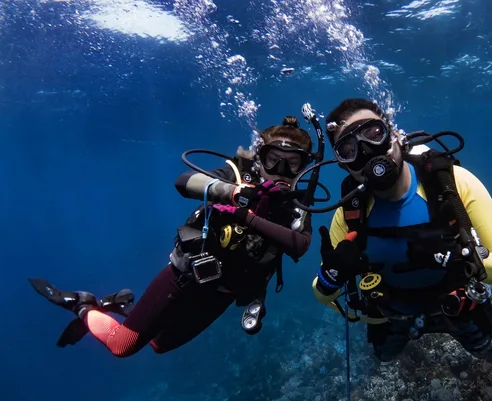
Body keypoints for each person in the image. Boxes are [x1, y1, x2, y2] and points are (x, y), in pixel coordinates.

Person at [30, 116, 315, 357]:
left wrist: (247, 217)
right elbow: (184, 182)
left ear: (304, 167)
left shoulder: (298, 203)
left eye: (292, 164)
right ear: (259, 156)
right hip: (186, 276)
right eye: (273, 160)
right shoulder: (237, 174)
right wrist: (235, 193)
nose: (281, 172)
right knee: (122, 346)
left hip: (224, 294)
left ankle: (122, 305)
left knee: (159, 344)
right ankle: (82, 305)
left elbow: (300, 245)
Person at [311, 98, 492, 362]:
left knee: (485, 350)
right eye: (349, 149)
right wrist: (333, 275)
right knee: (384, 356)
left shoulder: (453, 184)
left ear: (395, 136)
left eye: (374, 134)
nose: (367, 152)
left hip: (456, 299)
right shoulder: (350, 213)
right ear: (344, 165)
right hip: (393, 311)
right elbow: (321, 292)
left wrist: (455, 257)